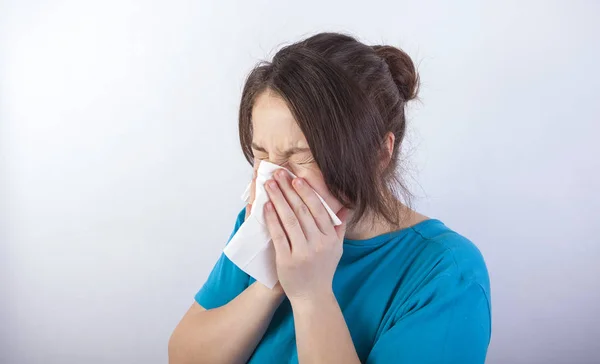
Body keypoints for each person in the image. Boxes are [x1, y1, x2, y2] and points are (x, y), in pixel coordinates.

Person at [169, 32, 491, 364]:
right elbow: (184, 357)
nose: (274, 179)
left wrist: (311, 294)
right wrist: (274, 281)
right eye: (261, 155)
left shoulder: (446, 273)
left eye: (302, 156)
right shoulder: (261, 227)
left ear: (379, 154)